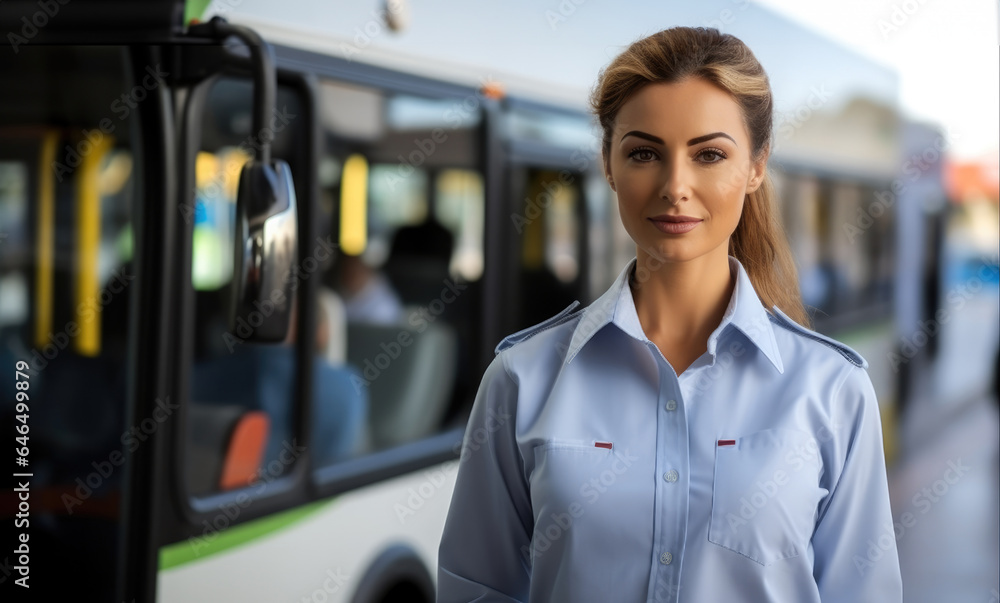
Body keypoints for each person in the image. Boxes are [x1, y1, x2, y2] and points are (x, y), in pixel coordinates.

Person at [437, 27, 902, 602]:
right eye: (644, 153)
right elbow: (476, 589)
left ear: (757, 166)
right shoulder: (520, 379)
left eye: (709, 154)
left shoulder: (833, 390)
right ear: (609, 164)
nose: (675, 186)